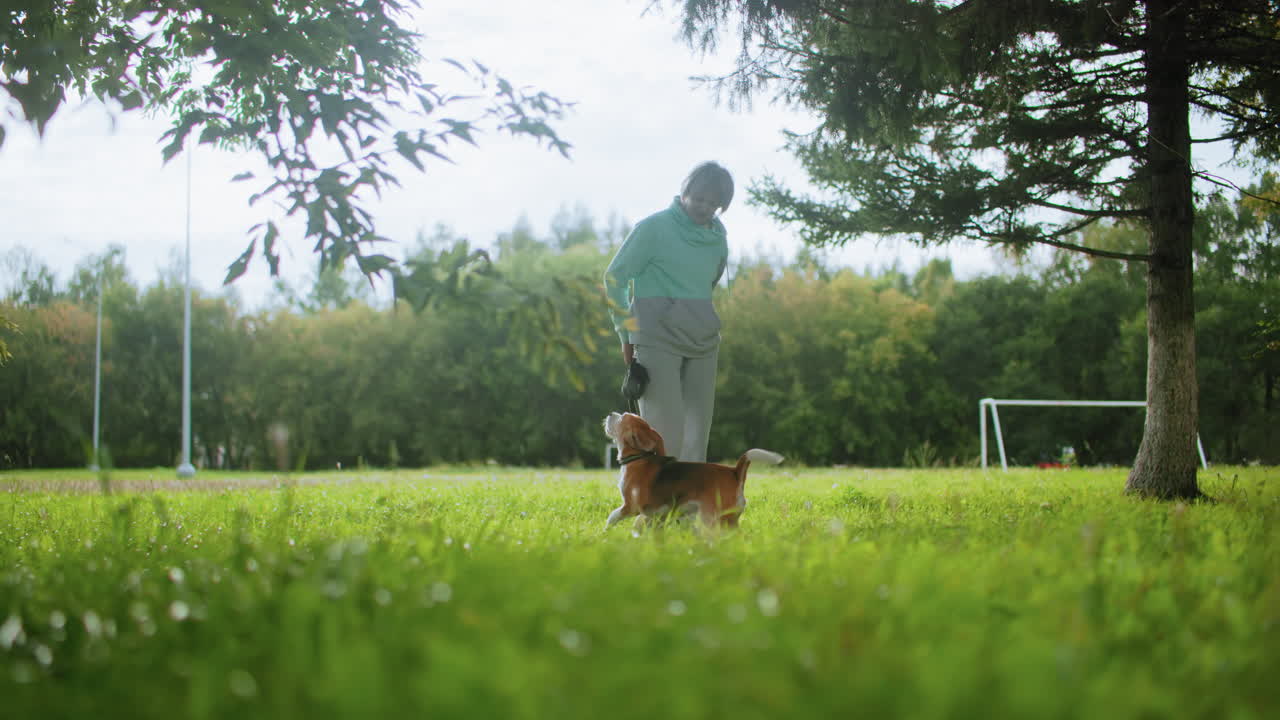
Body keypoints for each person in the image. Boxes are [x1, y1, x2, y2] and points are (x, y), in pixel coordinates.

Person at [604, 161, 734, 462]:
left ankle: (688, 507)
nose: (704, 207)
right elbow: (615, 279)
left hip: (703, 340)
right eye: (699, 199)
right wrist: (625, 333)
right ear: (685, 191)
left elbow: (708, 283)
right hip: (655, 338)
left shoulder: (718, 240)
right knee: (662, 433)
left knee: (696, 434)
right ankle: (657, 506)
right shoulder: (653, 228)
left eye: (713, 204)